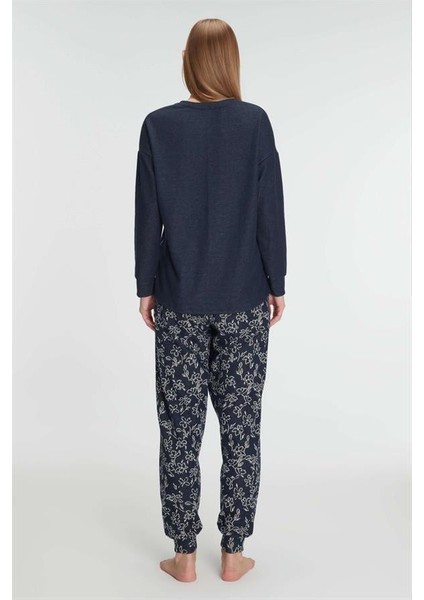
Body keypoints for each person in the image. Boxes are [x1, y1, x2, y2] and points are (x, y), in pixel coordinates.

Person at [134, 18, 287, 583]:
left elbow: (147, 215)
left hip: (178, 298)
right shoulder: (254, 123)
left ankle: (182, 556)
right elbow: (270, 210)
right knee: (242, 428)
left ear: (189, 60)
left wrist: (146, 285)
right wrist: (276, 282)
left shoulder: (158, 126)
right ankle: (233, 553)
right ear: (231, 61)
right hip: (244, 299)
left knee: (179, 428)